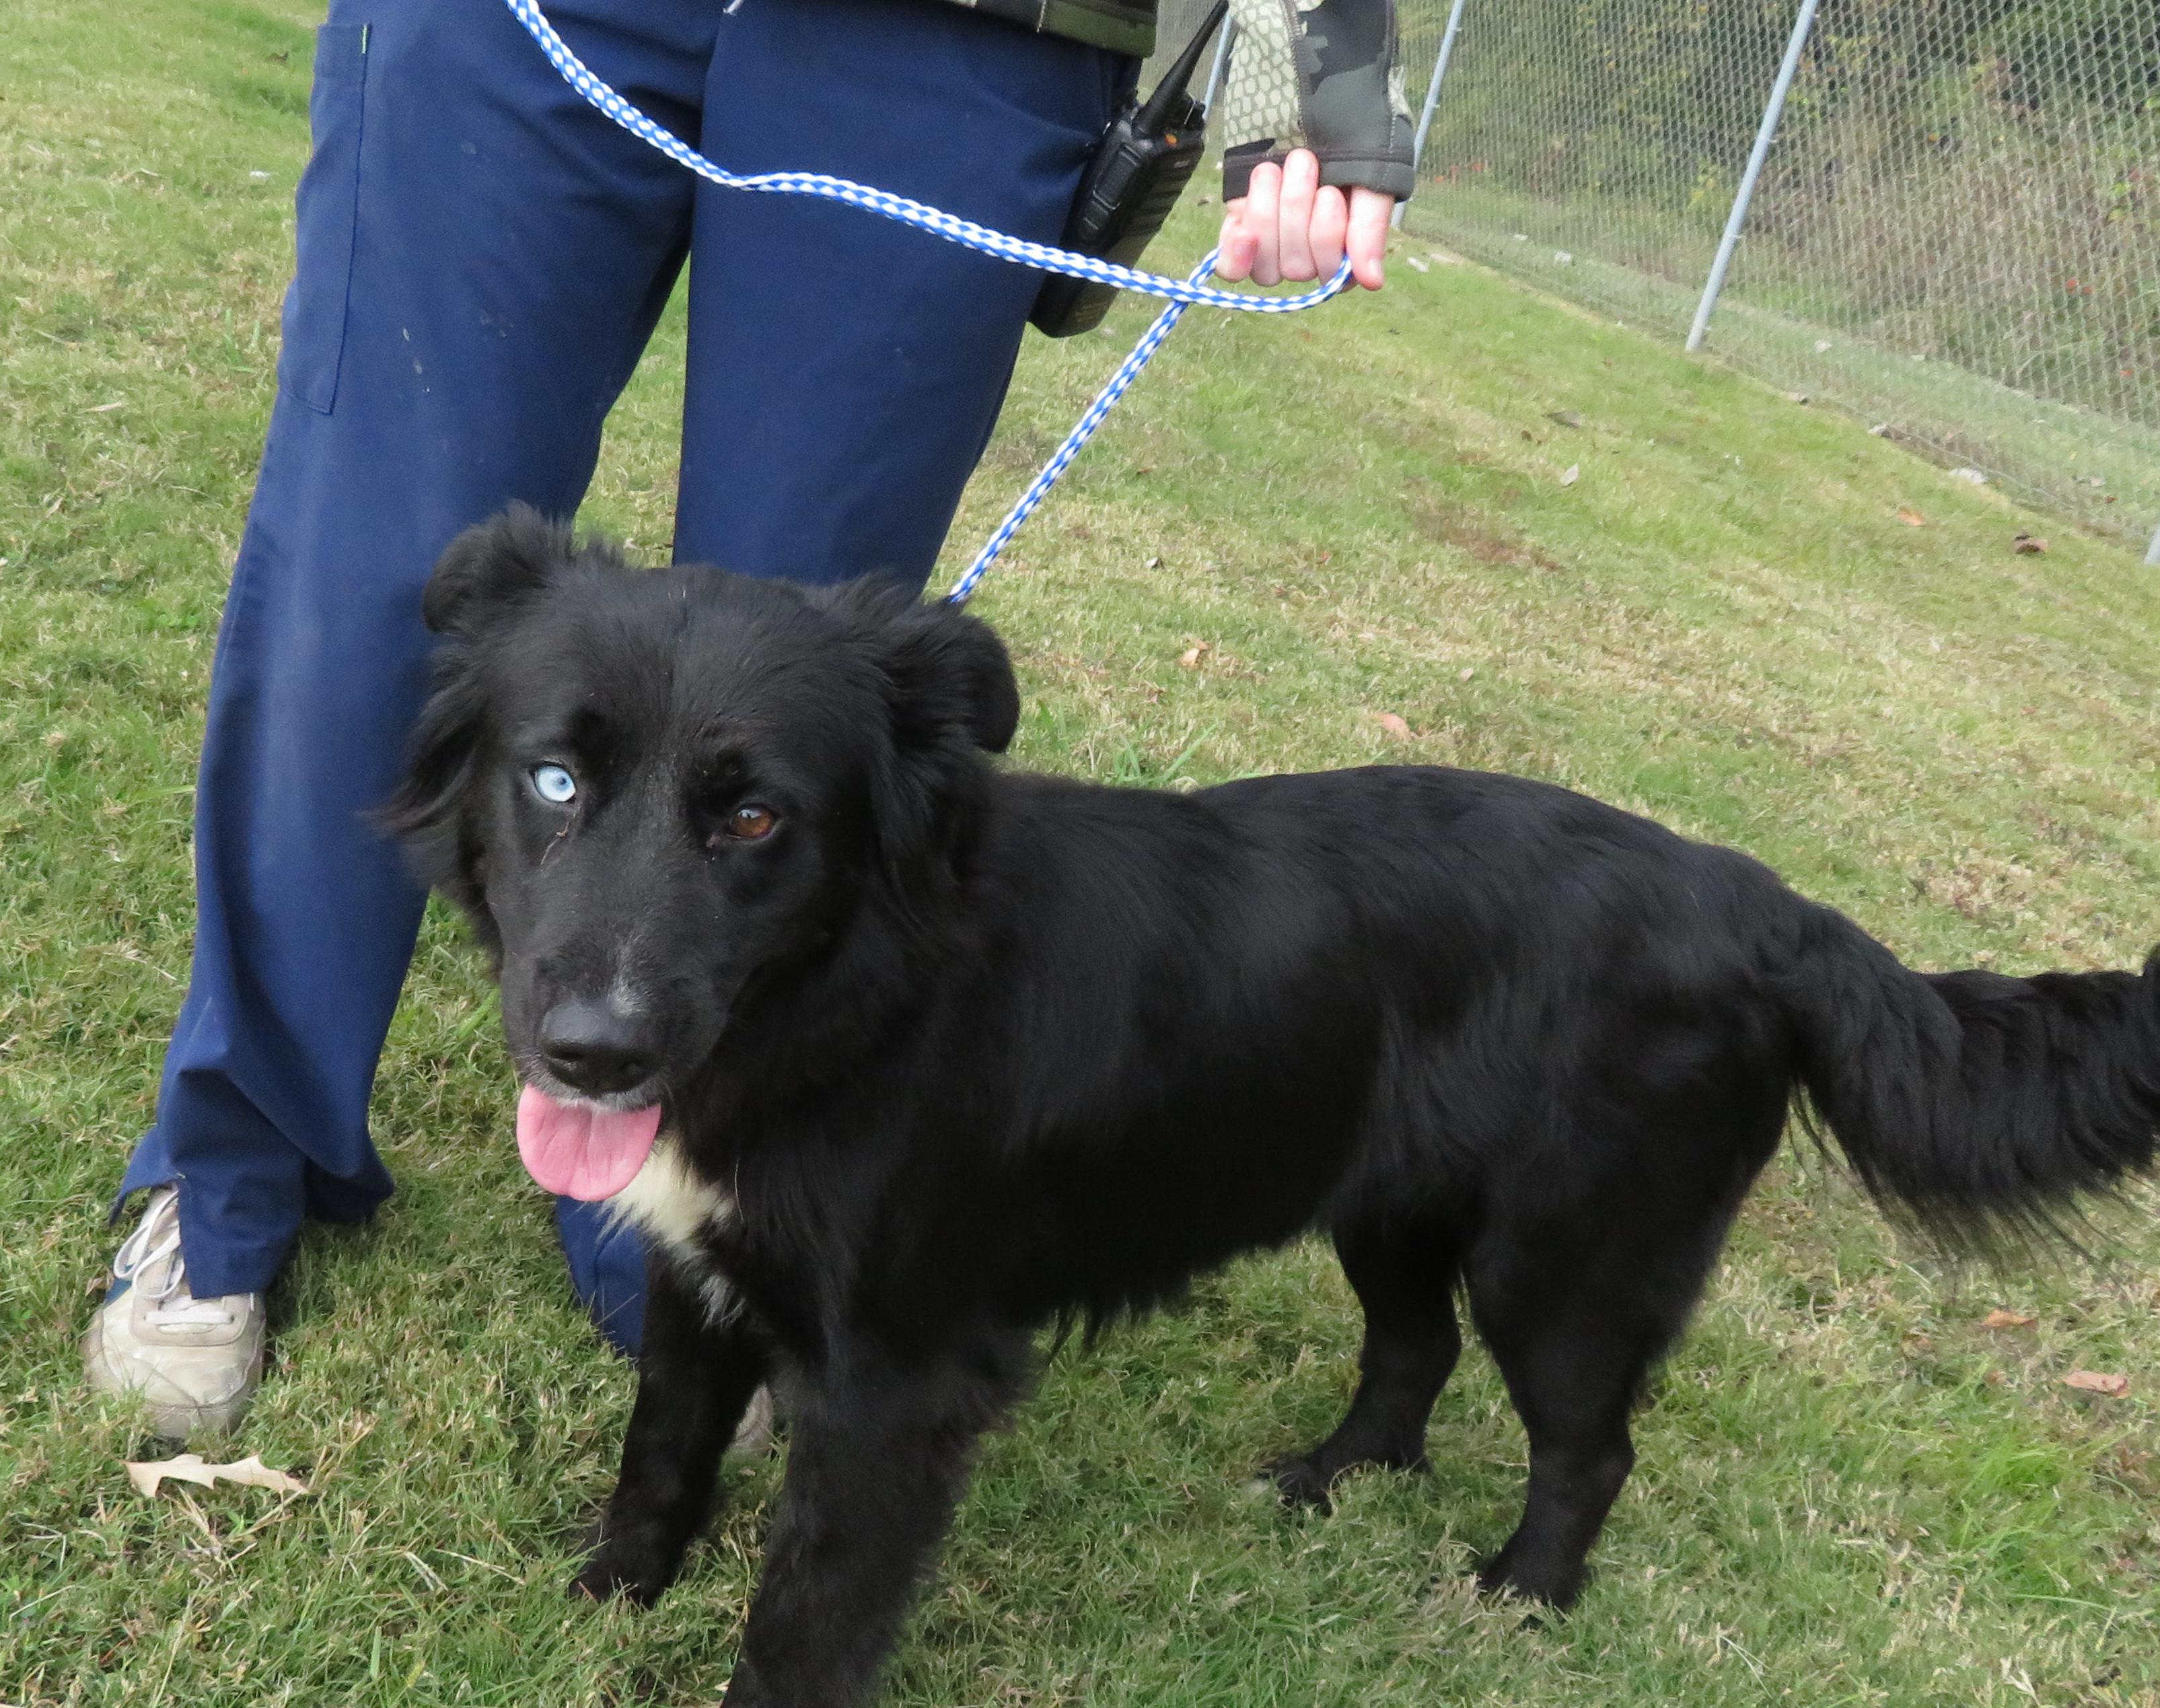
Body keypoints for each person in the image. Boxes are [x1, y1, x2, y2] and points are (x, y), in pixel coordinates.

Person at [86, 0, 1414, 1438]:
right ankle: (228, 1179)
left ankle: (696, 1230)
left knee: (782, 698)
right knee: (369, 596)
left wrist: (1311, 80)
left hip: (956, 37)